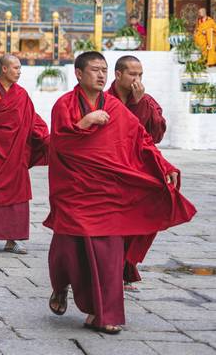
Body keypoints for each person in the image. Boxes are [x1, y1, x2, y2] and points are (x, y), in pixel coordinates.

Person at [45, 51, 196, 334]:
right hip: (74, 190)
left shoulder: (114, 107)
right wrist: (85, 123)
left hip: (107, 192)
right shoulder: (63, 105)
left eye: (104, 70)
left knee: (109, 251)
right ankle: (60, 286)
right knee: (68, 250)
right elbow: (59, 144)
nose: (101, 75)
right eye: (95, 70)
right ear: (78, 74)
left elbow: (140, 138)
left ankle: (103, 314)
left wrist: (164, 164)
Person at [0, 54, 49, 254]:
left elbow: (31, 118)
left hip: (16, 152)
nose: (19, 71)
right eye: (15, 68)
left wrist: (45, 137)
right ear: (4, 69)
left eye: (20, 68)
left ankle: (12, 240)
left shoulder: (21, 94)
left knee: (16, 193)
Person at [107, 55, 168, 291]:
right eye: (133, 74)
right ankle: (110, 270)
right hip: (110, 169)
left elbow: (156, 135)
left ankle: (125, 267)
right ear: (118, 74)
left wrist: (141, 103)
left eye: (140, 75)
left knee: (139, 221)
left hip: (137, 170)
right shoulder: (103, 99)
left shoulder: (146, 101)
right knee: (111, 223)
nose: (137, 79)